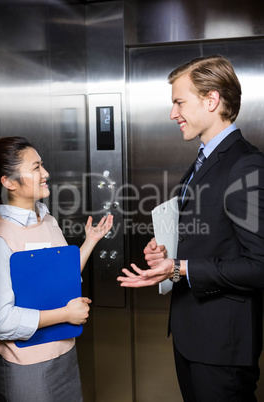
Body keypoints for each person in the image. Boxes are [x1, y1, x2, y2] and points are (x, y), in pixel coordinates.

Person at [117, 55, 264, 401]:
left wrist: (180, 268)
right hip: (193, 336)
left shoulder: (244, 163)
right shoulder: (205, 160)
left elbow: (259, 265)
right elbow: (215, 235)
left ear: (211, 100)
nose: (173, 114)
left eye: (179, 102)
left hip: (221, 347)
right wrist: (166, 249)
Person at [0, 136, 113, 402]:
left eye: (42, 165)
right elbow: (1, 321)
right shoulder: (1, 237)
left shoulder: (47, 219)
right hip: (27, 366)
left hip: (65, 355)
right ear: (9, 182)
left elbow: (61, 279)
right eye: (36, 168)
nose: (45, 173)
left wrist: (91, 241)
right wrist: (65, 314)